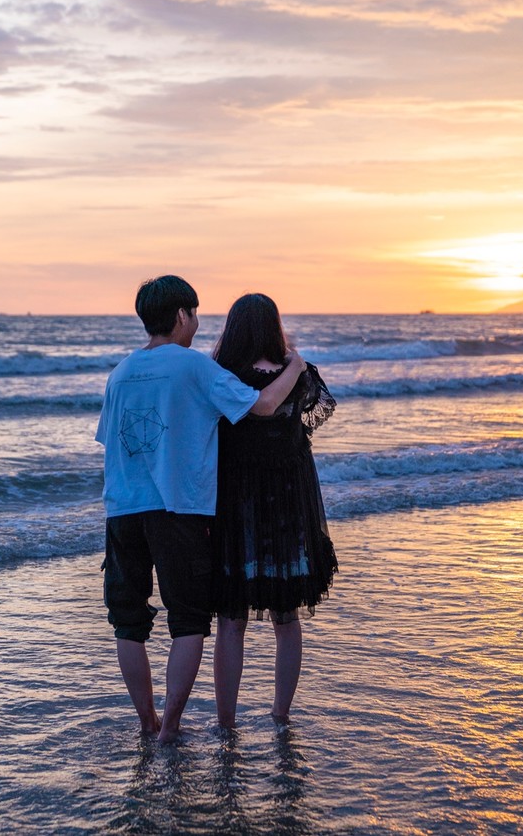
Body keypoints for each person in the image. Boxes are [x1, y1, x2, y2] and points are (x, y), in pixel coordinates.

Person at [96, 275, 305, 744]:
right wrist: (296, 365)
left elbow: (110, 441)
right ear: (181, 316)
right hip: (178, 508)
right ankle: (170, 726)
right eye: (195, 313)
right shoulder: (193, 367)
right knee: (187, 621)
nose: (197, 322)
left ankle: (145, 721)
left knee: (128, 623)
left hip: (122, 509)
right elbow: (264, 405)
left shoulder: (121, 372)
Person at [210, 293, 337, 730]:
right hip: (287, 496)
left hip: (236, 499)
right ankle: (280, 714)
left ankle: (226, 721)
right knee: (287, 615)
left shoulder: (221, 374)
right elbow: (297, 411)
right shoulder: (298, 373)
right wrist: (296, 363)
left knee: (231, 619)